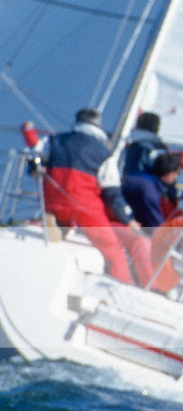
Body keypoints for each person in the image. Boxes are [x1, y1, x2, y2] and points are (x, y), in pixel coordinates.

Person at [24, 108, 152, 285]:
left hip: (52, 199)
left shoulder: (55, 140)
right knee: (111, 247)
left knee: (62, 214)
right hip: (85, 206)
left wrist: (30, 138)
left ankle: (59, 225)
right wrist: (128, 219)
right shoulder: (104, 153)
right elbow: (112, 192)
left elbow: (35, 161)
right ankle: (122, 284)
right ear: (99, 125)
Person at [122, 151, 183, 228]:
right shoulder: (150, 192)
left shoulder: (145, 176)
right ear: (170, 174)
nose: (176, 177)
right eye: (177, 173)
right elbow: (156, 225)